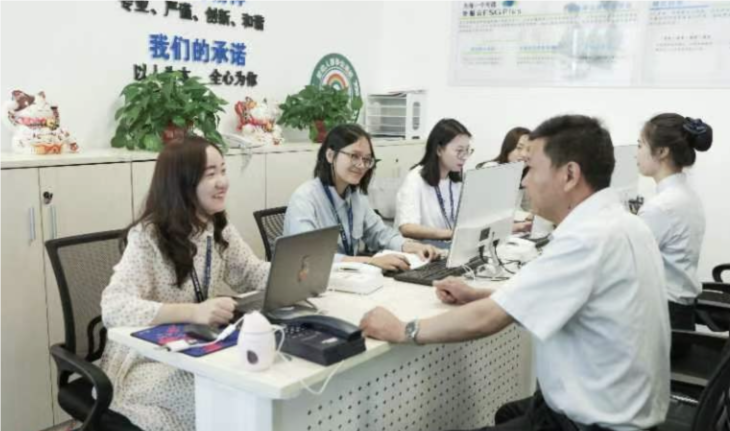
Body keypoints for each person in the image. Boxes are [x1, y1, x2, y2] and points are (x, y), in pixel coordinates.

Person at [360, 115, 670, 431]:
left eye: (531, 169)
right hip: (619, 411)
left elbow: (487, 320)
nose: (524, 182)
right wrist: (480, 294)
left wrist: (403, 330)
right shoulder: (624, 224)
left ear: (569, 175)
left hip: (590, 424)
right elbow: (554, 296)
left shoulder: (586, 238)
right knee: (508, 413)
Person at [100, 136, 270, 431]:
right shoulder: (149, 236)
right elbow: (114, 307)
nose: (223, 182)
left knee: (251, 388)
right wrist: (193, 312)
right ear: (182, 184)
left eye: (223, 170)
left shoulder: (218, 227)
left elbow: (251, 273)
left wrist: (302, 272)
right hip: (147, 361)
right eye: (210, 174)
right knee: (222, 401)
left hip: (200, 347)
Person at [283, 124, 439, 272]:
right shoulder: (305, 199)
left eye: (366, 159)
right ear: (330, 155)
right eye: (354, 156)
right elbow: (308, 257)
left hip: (350, 279)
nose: (362, 165)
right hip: (314, 281)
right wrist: (370, 261)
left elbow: (380, 233)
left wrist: (412, 246)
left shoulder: (356, 196)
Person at [637, 114, 713, 334]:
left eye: (640, 145)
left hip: (665, 320)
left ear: (662, 151)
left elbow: (627, 265)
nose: (636, 153)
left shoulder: (661, 207)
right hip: (681, 316)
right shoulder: (687, 195)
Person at [395, 119, 472, 243]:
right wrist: (450, 234)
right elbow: (407, 227)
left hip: (448, 246)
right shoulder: (415, 179)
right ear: (439, 150)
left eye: (467, 150)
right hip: (421, 248)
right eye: (459, 151)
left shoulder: (456, 182)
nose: (464, 157)